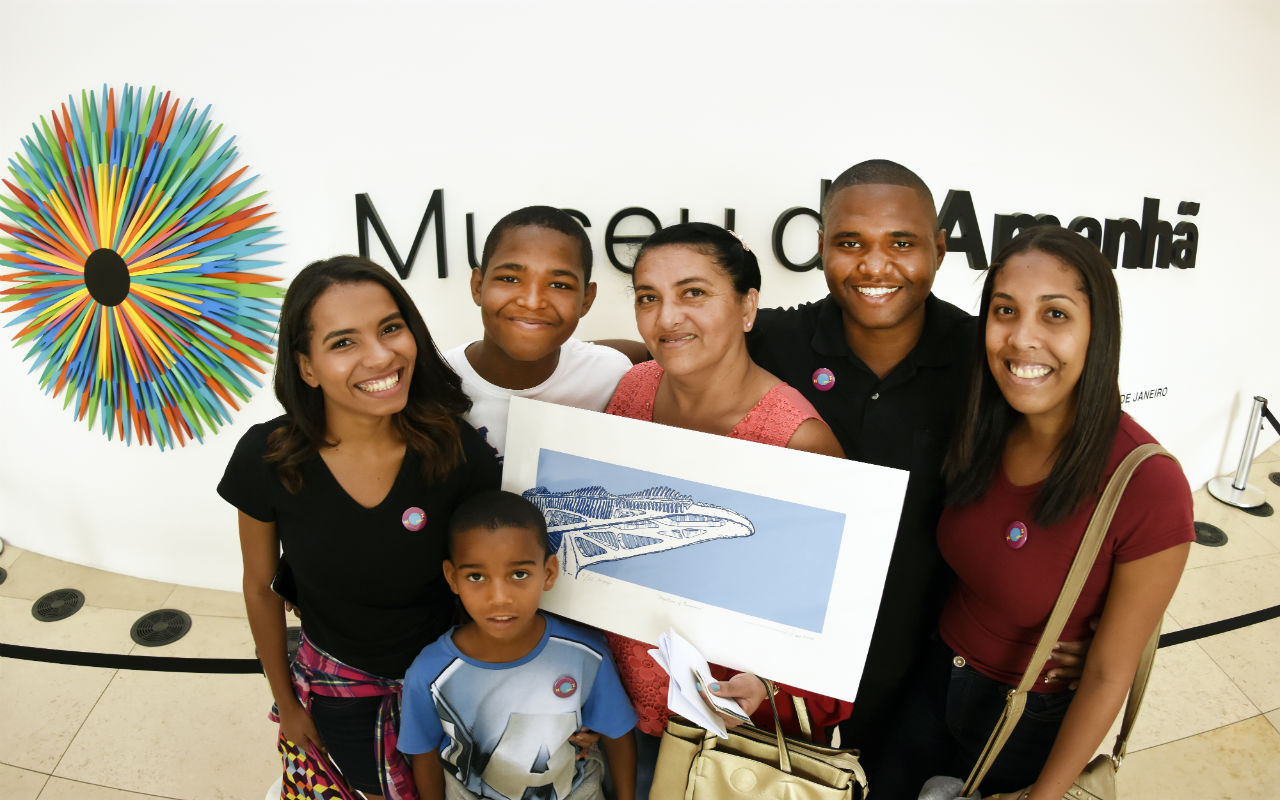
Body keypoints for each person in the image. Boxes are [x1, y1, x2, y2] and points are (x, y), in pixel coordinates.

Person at [913, 226, 1194, 799]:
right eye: (1005, 310)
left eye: (1056, 315)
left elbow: (1108, 675)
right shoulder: (983, 428)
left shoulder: (1147, 484)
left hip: (1022, 719)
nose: (1022, 338)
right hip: (932, 681)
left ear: (1099, 331)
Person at [218, 255, 501, 799]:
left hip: (447, 683)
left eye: (391, 328)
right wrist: (286, 699)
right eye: (344, 342)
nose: (380, 356)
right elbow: (259, 586)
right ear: (306, 366)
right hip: (335, 689)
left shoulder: (459, 452)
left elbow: (486, 585)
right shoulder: (268, 457)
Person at [603, 221, 848, 797]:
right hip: (621, 714)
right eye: (648, 297)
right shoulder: (633, 392)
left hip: (732, 742)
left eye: (694, 293)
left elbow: (837, 619)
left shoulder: (797, 440)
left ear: (747, 307)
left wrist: (772, 686)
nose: (666, 318)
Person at [400, 490, 638, 800]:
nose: (499, 597)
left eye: (519, 573)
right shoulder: (430, 671)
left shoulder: (586, 655)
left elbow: (618, 735)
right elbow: (424, 752)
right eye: (476, 577)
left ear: (548, 573)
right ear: (452, 577)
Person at [443, 205, 636, 460]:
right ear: (478, 286)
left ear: (586, 300)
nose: (533, 302)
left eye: (559, 284)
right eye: (510, 279)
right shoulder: (435, 384)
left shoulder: (611, 375)